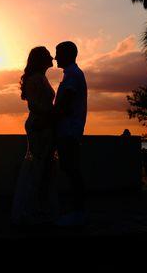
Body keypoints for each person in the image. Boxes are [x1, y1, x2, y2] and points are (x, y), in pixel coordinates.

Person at [11, 46, 58, 225]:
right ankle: (30, 210)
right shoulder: (35, 79)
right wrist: (53, 115)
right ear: (40, 59)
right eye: (47, 56)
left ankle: (37, 208)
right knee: (38, 167)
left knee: (43, 167)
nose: (52, 58)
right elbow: (34, 105)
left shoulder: (41, 78)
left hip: (44, 125)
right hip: (39, 126)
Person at [54, 41, 87, 226]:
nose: (55, 57)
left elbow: (64, 106)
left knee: (72, 170)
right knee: (70, 169)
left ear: (68, 54)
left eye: (58, 53)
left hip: (69, 131)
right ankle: (77, 211)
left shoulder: (73, 76)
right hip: (69, 130)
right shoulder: (72, 74)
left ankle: (78, 212)